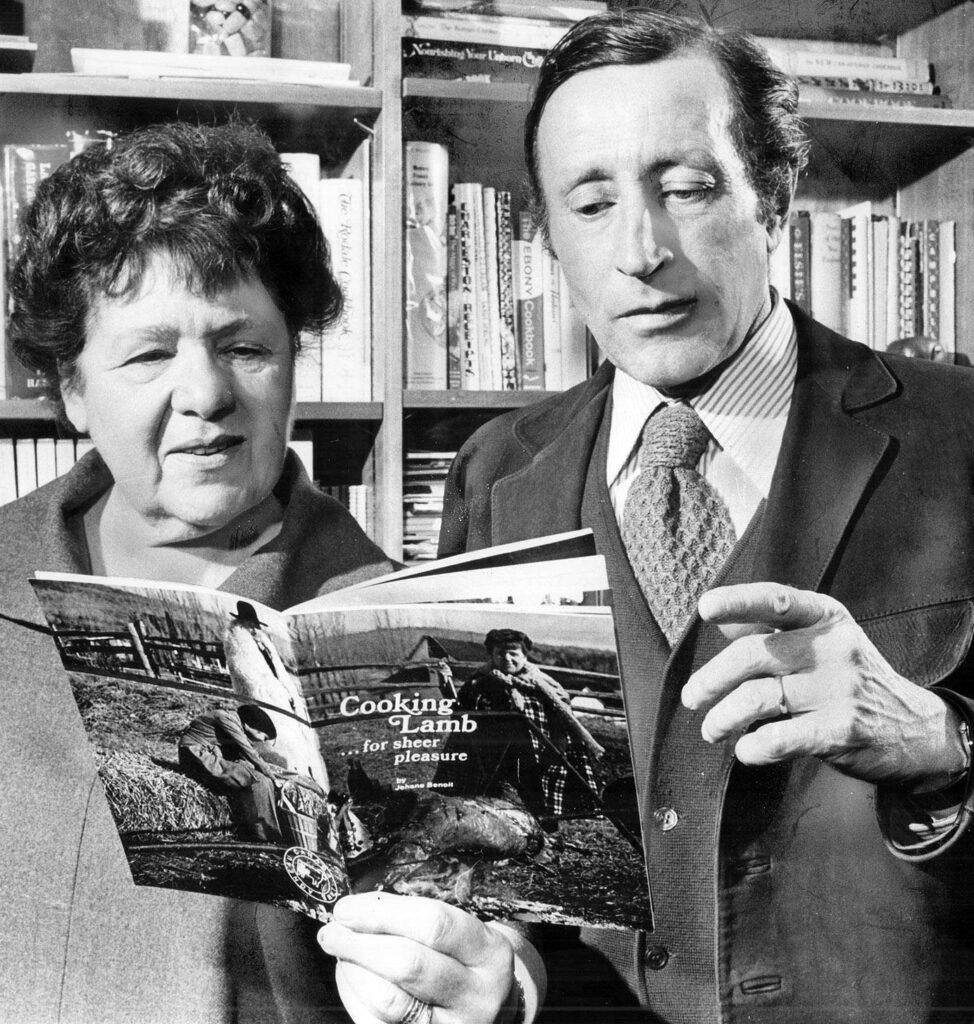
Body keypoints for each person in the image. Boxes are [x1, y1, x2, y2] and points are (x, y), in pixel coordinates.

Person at [430, 8, 974, 1023]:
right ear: (547, 240)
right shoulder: (494, 478)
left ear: (771, 193)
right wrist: (492, 974)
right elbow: (496, 869)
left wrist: (941, 742)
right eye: (589, 206)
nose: (640, 250)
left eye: (683, 189)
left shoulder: (959, 438)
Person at [0, 119, 411, 1023]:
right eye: (150, 353)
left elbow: (466, 953)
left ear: (294, 363)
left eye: (244, 347)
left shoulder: (388, 626)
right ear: (70, 388)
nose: (206, 394)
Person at [452, 628, 602, 819]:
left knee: (536, 796)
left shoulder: (544, 684)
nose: (507, 658)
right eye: (500, 653)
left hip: (540, 750)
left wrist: (558, 746)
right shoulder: (478, 683)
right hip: (489, 752)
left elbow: (560, 718)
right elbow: (461, 714)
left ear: (524, 656)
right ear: (492, 655)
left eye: (513, 654)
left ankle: (544, 824)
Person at [178, 702, 284, 842]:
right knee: (258, 780)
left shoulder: (234, 722)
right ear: (252, 727)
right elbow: (249, 751)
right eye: (264, 738)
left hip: (205, 755)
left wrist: (270, 772)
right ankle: (267, 837)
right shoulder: (226, 718)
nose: (262, 742)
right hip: (195, 756)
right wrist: (271, 776)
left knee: (258, 778)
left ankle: (263, 832)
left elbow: (243, 754)